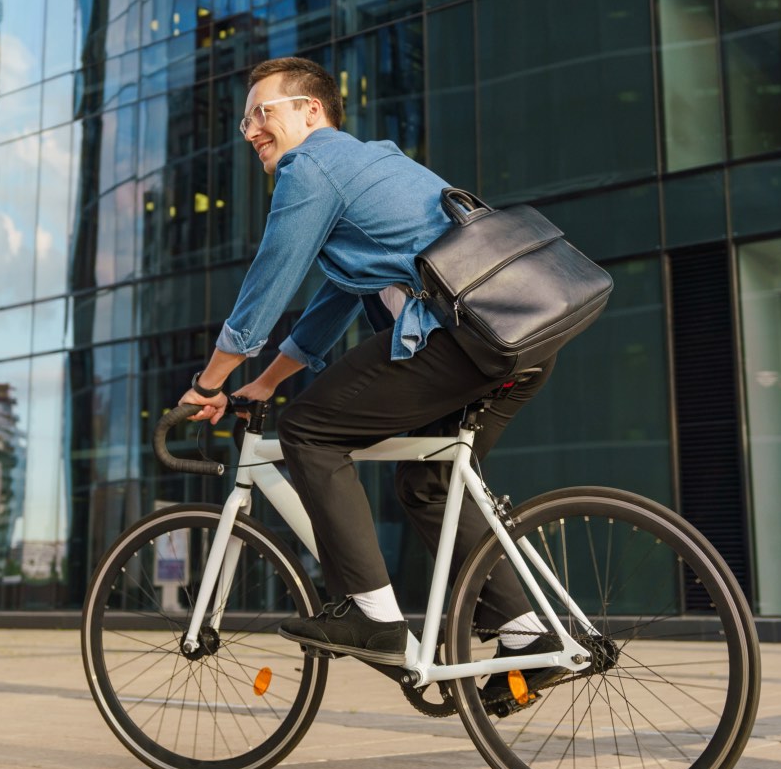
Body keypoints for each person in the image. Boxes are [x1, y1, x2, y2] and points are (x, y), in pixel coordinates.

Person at [179, 56, 561, 675]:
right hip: (520, 337)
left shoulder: (313, 167)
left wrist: (210, 382)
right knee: (429, 482)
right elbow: (336, 299)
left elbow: (268, 286)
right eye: (243, 120)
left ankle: (374, 618)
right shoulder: (371, 164)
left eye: (261, 113)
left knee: (309, 431)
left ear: (311, 110)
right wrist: (266, 382)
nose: (249, 130)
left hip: (460, 339)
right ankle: (529, 634)